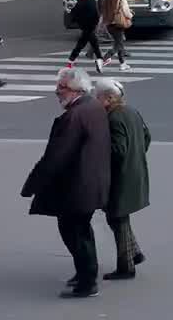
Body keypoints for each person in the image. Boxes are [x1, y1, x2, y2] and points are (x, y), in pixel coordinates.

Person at [21, 68, 111, 299]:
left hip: (78, 185)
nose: (57, 92)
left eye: (62, 88)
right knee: (80, 229)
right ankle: (85, 274)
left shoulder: (75, 116)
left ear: (76, 90)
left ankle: (87, 282)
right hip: (91, 181)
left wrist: (32, 184)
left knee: (74, 231)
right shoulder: (91, 106)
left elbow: (57, 156)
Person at [93, 78, 150, 281]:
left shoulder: (113, 118)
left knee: (117, 217)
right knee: (117, 216)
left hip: (121, 177)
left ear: (109, 98)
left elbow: (118, 150)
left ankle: (126, 266)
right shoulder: (132, 111)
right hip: (135, 172)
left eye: (97, 97)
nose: (95, 101)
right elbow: (147, 137)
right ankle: (134, 253)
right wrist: (137, 155)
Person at [67, 0, 105, 73]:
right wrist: (96, 24)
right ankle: (99, 61)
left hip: (84, 26)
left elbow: (74, 12)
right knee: (93, 45)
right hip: (90, 26)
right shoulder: (91, 1)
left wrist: (79, 22)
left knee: (83, 44)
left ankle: (70, 61)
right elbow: (95, 15)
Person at [100, 0, 134, 71]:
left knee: (119, 42)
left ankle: (123, 63)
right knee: (118, 44)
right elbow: (126, 12)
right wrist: (131, 15)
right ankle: (104, 59)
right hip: (117, 24)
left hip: (109, 24)